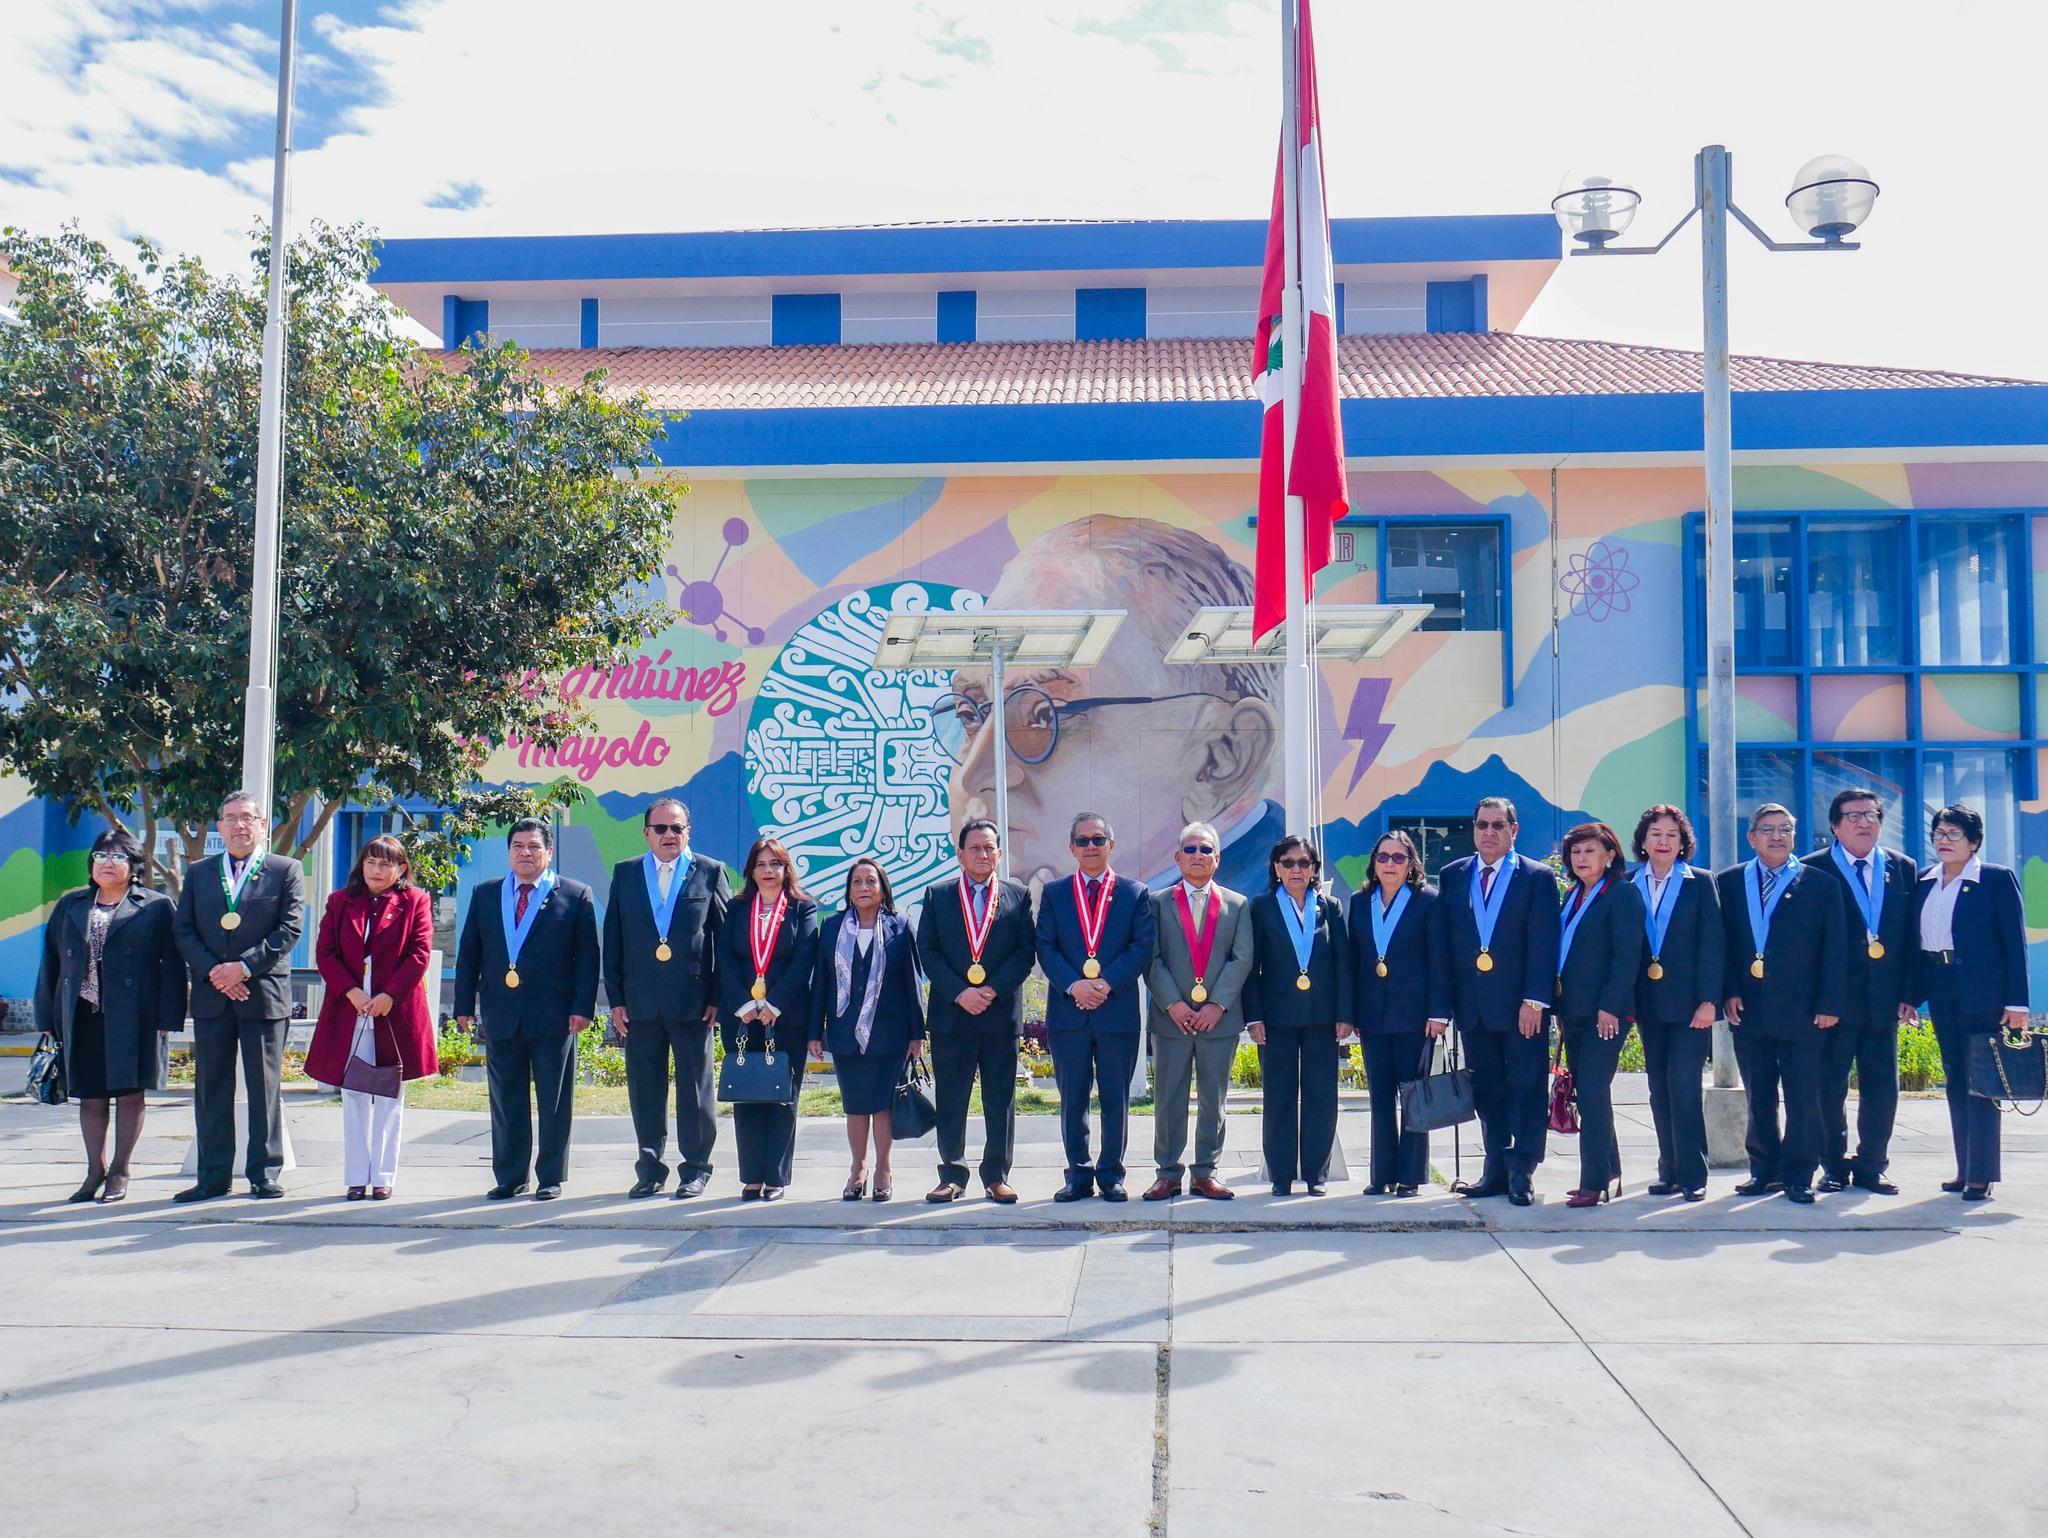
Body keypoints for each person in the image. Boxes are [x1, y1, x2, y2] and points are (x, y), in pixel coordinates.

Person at [941, 515, 1283, 893]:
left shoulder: (1263, 914)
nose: (975, 775)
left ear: (1219, 758)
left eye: (1043, 717)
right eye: (970, 715)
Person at [33, 829, 186, 1204]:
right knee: (90, 1095)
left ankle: (120, 1170)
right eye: (101, 856)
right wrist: (47, 1020)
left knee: (130, 1093)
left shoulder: (155, 906)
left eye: (118, 857)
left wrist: (169, 1017)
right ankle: (93, 1171)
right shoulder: (70, 906)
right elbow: (51, 964)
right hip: (81, 1013)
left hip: (135, 1014)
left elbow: (173, 966)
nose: (107, 863)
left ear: (134, 867)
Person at [454, 818, 600, 1201]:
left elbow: (587, 959)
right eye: (518, 845)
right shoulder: (487, 894)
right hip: (502, 1013)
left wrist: (582, 1007)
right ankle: (510, 1176)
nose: (525, 853)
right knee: (506, 1099)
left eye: (534, 846)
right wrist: (464, 1006)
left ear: (548, 852)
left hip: (554, 1015)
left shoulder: (574, 894)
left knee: (553, 1101)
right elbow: (469, 954)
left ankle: (550, 1177)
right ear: (508, 851)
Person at [170, 789, 306, 1202]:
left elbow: (289, 929)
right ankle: (212, 1175)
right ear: (219, 826)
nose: (238, 825)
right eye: (230, 818)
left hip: (262, 995)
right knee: (211, 1087)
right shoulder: (199, 873)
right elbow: (184, 931)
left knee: (264, 1088)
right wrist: (216, 971)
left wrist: (243, 967)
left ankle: (264, 1173)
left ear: (263, 825)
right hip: (213, 996)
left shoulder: (286, 870)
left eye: (247, 817)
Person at [1716, 802, 1845, 1204]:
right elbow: (1721, 945)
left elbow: (1835, 949)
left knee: (1804, 1096)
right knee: (1759, 1096)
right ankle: (1764, 1170)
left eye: (1785, 829)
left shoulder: (1821, 885)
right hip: (1749, 1009)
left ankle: (1798, 1174)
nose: (1777, 836)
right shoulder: (1729, 883)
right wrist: (1728, 990)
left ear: (1794, 836)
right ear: (1751, 837)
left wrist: (1829, 1002)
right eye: (1768, 829)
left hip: (1804, 1011)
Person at [603, 797, 731, 1199]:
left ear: (688, 832)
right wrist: (617, 999)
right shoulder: (626, 873)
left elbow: (724, 942)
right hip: (640, 1003)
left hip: (693, 1002)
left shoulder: (710, 872)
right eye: (661, 829)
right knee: (645, 1088)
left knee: (695, 1089)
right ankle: (650, 1168)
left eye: (677, 828)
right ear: (647, 833)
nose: (669, 835)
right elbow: (614, 940)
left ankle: (695, 1169)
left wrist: (718, 996)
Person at [1438, 796, 1562, 1206]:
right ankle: (1494, 1169)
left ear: (1514, 830)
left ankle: (1522, 1169)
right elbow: (1446, 948)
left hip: (1521, 1008)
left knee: (1527, 1087)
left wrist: (1535, 1001)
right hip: (1474, 1007)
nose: (1489, 833)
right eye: (1482, 825)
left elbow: (1544, 944)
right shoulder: (1454, 875)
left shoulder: (1537, 876)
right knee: (1488, 1090)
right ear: (1473, 829)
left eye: (1498, 825)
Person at [305, 835, 438, 1199]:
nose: (377, 871)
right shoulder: (339, 901)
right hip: (349, 1009)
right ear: (360, 866)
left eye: (385, 864)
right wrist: (352, 991)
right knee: (353, 1092)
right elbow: (326, 952)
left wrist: (388, 995)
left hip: (393, 1010)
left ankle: (383, 1177)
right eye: (370, 863)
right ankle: (355, 1175)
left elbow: (419, 952)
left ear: (401, 869)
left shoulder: (414, 901)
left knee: (390, 1093)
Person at [1802, 789, 1920, 1194]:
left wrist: (1910, 992)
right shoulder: (1812, 870)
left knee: (1882, 1087)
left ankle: (1873, 1164)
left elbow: (1911, 939)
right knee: (1828, 1087)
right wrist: (1818, 999)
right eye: (1853, 816)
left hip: (1884, 1001)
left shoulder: (1903, 868)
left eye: (1871, 815)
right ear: (1834, 826)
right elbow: (1805, 946)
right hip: (1833, 1003)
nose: (1864, 822)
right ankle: (1832, 1164)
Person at [1035, 811, 1157, 1202]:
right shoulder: (1055, 893)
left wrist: (1104, 984)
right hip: (1069, 1013)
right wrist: (1075, 985)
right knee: (1072, 1097)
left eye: (1098, 839)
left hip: (1115, 1010)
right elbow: (1046, 946)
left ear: (1111, 845)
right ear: (1071, 848)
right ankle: (1078, 1174)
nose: (1091, 846)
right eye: (1083, 840)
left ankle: (1111, 1175)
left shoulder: (1134, 892)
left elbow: (1141, 947)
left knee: (1115, 1097)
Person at [918, 817, 1036, 1204]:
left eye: (989, 848)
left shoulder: (1018, 896)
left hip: (999, 1013)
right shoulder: (938, 895)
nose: (982, 854)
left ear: (999, 854)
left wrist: (990, 990)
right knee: (951, 1096)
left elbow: (1024, 953)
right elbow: (928, 951)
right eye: (975, 848)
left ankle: (997, 1175)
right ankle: (952, 1174)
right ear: (960, 854)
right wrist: (959, 993)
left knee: (1000, 1098)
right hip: (952, 1014)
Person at [1916, 805, 2028, 1202]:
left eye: (1954, 834)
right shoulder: (1924, 880)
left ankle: (1981, 1174)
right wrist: (1911, 997)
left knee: (1982, 1083)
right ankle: (1964, 1168)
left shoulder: (1994, 879)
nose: (1944, 841)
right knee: (1955, 1079)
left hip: (1984, 995)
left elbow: (2015, 944)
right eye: (1939, 834)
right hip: (1941, 988)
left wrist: (2018, 1003)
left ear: (1975, 841)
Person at [1142, 820, 1256, 1201]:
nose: (1197, 856)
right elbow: (1152, 958)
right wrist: (1173, 1003)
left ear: (1217, 858)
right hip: (1170, 1019)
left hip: (1217, 1022)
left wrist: (1216, 1005)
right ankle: (1168, 1173)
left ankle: (1206, 1171)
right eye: (1190, 849)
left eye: (1205, 849)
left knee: (1214, 1100)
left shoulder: (1237, 905)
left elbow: (1241, 959)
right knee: (1168, 1099)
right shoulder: (1157, 903)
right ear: (1177, 857)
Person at [1243, 834, 1355, 1196]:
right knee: (1279, 1095)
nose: (1296, 869)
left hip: (1323, 1017)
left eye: (1303, 863)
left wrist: (1345, 1013)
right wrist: (1253, 1017)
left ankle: (1316, 1174)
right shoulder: (1260, 907)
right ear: (1276, 868)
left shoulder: (1330, 906)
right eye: (1288, 863)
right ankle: (1280, 1174)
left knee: (1321, 1095)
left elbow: (1343, 964)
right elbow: (1251, 967)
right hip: (1276, 1019)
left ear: (1313, 869)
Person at [810, 858, 926, 1202]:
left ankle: (883, 1169)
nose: (863, 888)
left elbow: (912, 983)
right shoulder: (831, 927)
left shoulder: (901, 926)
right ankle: (857, 1169)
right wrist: (815, 1031)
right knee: (856, 1104)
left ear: (882, 889)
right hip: (845, 1033)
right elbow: (821, 984)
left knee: (883, 1104)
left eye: (870, 882)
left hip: (889, 1032)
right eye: (857, 882)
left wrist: (916, 1034)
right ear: (848, 890)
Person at [1347, 830, 1450, 1197]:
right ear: (1374, 863)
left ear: (1411, 864)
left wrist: (1439, 1012)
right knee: (1379, 1099)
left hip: (1416, 1016)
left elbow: (1440, 959)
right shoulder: (1360, 902)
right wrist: (1351, 1012)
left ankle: (1410, 1175)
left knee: (1413, 1098)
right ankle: (1381, 1174)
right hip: (1373, 1017)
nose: (1390, 864)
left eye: (1399, 857)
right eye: (1383, 857)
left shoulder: (1428, 901)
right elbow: (1354, 962)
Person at [1630, 805, 1724, 1202]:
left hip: (1690, 1007)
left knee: (1683, 1087)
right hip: (1648, 1002)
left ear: (1683, 841)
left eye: (1671, 834)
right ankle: (1667, 1169)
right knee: (1658, 1090)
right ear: (1643, 841)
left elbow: (1713, 945)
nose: (1663, 841)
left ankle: (1692, 1174)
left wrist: (1709, 1001)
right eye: (1655, 834)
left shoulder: (1700, 882)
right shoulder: (1629, 882)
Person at [717, 836, 819, 1200]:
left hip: (786, 1015)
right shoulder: (737, 906)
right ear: (751, 871)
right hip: (742, 1017)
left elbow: (805, 959)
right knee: (747, 1093)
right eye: (760, 864)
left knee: (780, 1096)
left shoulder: (802, 908)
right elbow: (725, 960)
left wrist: (774, 1004)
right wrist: (744, 1004)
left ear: (785, 868)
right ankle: (751, 1176)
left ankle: (775, 1177)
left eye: (774, 864)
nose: (767, 871)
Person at [1553, 823, 1646, 1208]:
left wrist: (1611, 1005)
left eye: (1589, 851)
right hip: (1572, 1011)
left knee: (1591, 1092)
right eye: (1575, 852)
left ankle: (1592, 1183)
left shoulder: (1622, 894)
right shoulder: (1575, 894)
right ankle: (1608, 1172)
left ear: (1609, 855)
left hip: (1605, 1014)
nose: (1581, 859)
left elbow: (1627, 957)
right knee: (1590, 1093)